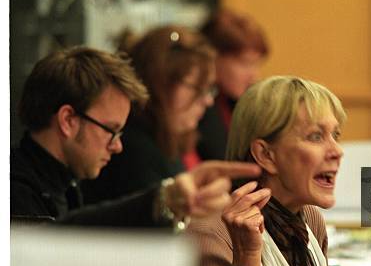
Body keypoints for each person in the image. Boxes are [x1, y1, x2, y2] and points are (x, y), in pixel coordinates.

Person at [11, 46, 260, 227]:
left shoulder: (66, 183)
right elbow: (51, 245)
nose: (118, 145)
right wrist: (165, 199)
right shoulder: (15, 190)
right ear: (67, 120)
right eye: (110, 130)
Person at [192, 76, 346, 266]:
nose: (337, 151)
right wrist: (247, 258)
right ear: (265, 155)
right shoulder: (213, 233)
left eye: (335, 135)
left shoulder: (311, 220)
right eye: (316, 136)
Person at [81, 26, 217, 203]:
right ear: (159, 84)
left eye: (210, 89)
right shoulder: (132, 151)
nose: (208, 100)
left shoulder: (164, 139)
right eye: (198, 88)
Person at [193, 9, 269, 165]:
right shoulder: (195, 109)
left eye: (256, 64)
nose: (253, 75)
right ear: (212, 57)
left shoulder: (240, 103)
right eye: (245, 63)